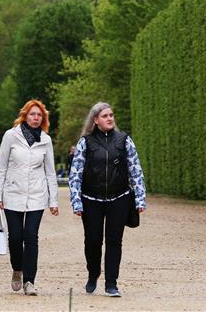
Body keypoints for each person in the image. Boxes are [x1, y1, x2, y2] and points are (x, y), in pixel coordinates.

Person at [68, 102, 146, 297]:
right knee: (93, 241)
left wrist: (140, 198)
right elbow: (75, 173)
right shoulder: (85, 143)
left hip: (118, 198)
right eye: (105, 116)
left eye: (111, 115)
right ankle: (93, 273)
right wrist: (76, 200)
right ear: (95, 120)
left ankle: (111, 283)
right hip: (91, 199)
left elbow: (135, 170)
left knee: (114, 241)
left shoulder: (124, 140)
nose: (110, 118)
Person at [0, 99, 59, 296]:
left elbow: (50, 173)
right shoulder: (10, 136)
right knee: (15, 237)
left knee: (31, 237)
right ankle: (17, 269)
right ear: (25, 115)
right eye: (32, 114)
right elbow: (1, 168)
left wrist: (53, 201)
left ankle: (29, 281)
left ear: (43, 118)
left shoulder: (46, 140)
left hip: (37, 196)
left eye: (39, 115)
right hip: (13, 193)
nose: (36, 118)